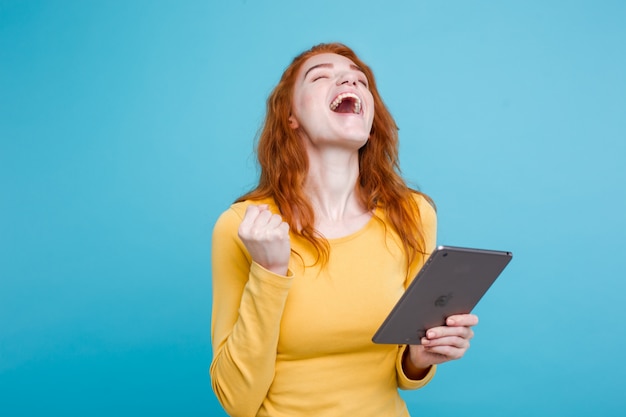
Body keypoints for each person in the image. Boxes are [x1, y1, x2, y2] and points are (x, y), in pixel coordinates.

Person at [210, 42, 478, 417]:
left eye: (360, 80)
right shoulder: (243, 227)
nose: (349, 78)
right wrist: (268, 273)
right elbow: (235, 401)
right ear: (291, 116)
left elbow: (404, 370)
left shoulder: (412, 214)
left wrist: (420, 357)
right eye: (321, 76)